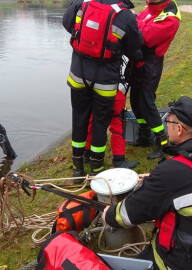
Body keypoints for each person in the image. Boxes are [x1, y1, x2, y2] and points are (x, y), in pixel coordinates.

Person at [102, 96, 192, 270]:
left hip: (190, 262)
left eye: (168, 120)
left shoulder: (169, 173)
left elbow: (129, 214)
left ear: (179, 129)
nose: (165, 124)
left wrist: (109, 215)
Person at [62, 0, 143, 176]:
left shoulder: (82, 4)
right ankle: (96, 167)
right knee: (100, 123)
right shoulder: (126, 15)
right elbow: (135, 47)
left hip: (78, 74)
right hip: (105, 81)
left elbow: (67, 24)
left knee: (79, 119)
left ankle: (77, 169)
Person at [128, 0, 181, 159]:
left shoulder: (170, 18)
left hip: (151, 63)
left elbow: (146, 37)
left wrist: (132, 20)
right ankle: (145, 135)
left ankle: (162, 140)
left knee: (146, 101)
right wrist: (135, 19)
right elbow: (139, 22)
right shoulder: (150, 9)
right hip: (138, 60)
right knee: (135, 100)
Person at [84, 89, 139, 169]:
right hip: (112, 94)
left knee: (92, 123)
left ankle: (87, 154)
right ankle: (119, 160)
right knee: (117, 125)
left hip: (94, 95)